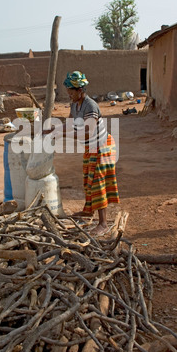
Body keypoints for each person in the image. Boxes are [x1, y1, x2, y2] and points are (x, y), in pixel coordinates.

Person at [44, 70, 120, 236]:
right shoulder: (74, 105)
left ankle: (103, 224)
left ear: (80, 91)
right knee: (88, 179)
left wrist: (61, 134)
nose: (69, 95)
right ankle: (89, 211)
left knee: (97, 182)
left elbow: (88, 132)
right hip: (91, 147)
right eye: (68, 92)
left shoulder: (90, 105)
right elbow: (70, 124)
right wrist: (53, 129)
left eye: (71, 92)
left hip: (102, 147)